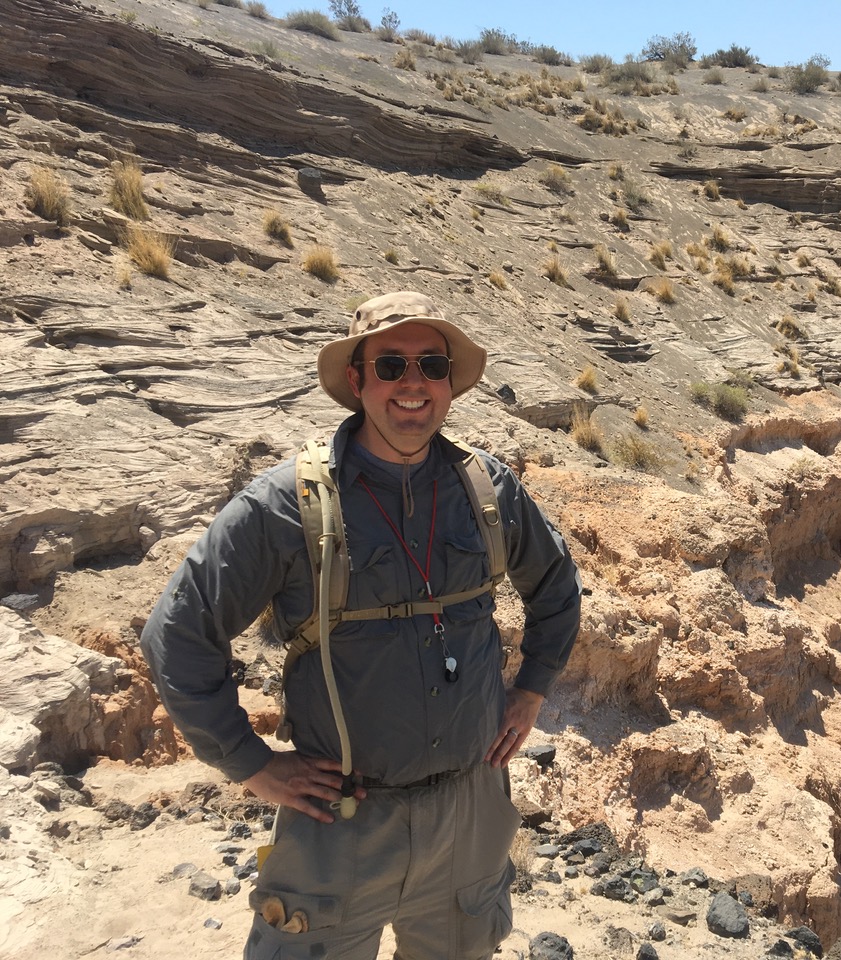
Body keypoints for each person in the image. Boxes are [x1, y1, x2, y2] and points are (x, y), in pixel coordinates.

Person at [141, 291, 582, 960]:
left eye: (432, 365)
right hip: (341, 824)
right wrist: (251, 763)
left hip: (470, 816)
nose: (412, 383)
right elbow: (176, 634)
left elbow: (556, 585)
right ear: (357, 380)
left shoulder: (487, 489)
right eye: (390, 364)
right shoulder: (285, 506)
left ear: (449, 383)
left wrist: (532, 689)